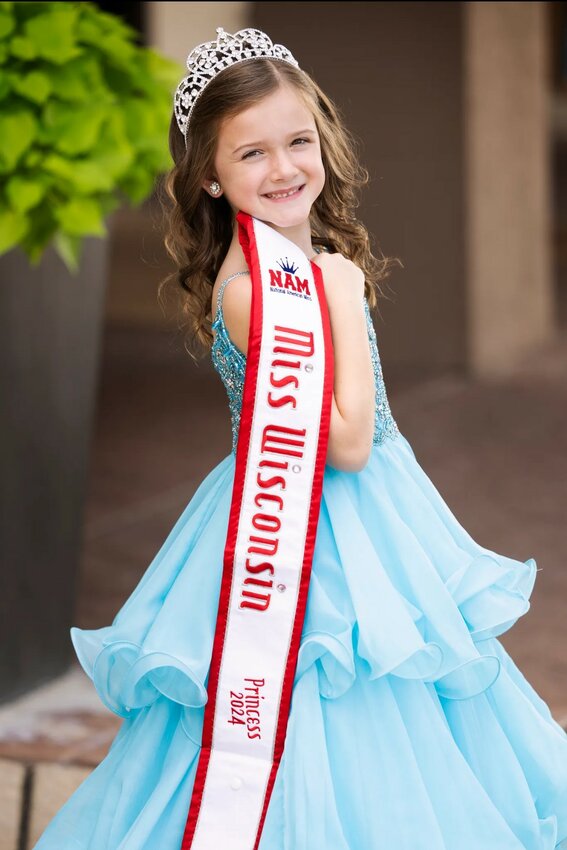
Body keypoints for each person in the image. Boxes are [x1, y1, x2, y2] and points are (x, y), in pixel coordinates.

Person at [34, 27, 567, 850]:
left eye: (298, 141)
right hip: (295, 529)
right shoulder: (253, 293)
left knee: (407, 694)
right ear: (209, 179)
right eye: (251, 155)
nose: (283, 168)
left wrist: (333, 279)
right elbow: (347, 440)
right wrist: (344, 296)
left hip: (379, 520)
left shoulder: (308, 257)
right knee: (320, 695)